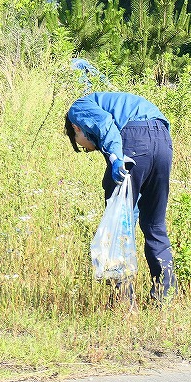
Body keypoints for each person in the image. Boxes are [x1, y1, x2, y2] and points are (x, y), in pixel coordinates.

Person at [65, 92, 175, 299]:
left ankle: (124, 300)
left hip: (133, 141)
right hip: (163, 140)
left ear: (76, 128)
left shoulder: (77, 109)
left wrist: (115, 158)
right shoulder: (112, 101)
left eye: (84, 147)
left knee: (119, 224)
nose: (91, 149)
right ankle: (165, 297)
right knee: (155, 224)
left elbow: (106, 125)